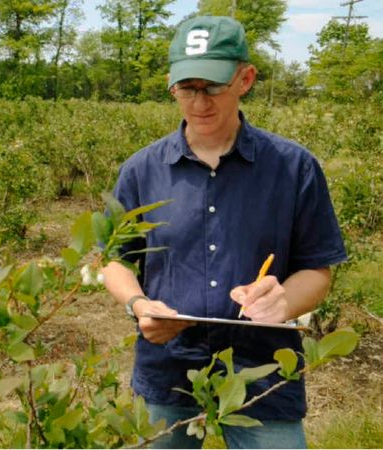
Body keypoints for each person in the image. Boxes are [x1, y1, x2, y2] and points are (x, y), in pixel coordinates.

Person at [100, 16, 347, 449]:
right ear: (171, 85)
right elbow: (115, 259)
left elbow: (317, 268)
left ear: (245, 78)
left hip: (264, 369)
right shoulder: (141, 171)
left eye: (213, 87)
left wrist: (284, 300)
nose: (200, 102)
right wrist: (138, 304)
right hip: (168, 369)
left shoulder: (293, 167)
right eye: (187, 88)